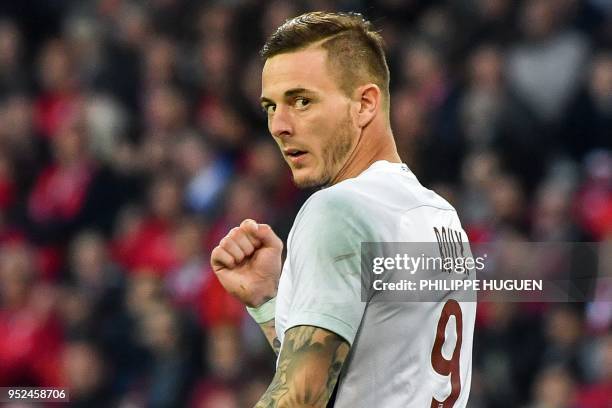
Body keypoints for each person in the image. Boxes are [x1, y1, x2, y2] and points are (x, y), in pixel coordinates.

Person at [211, 11, 476, 407]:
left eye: (301, 101)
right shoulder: (442, 217)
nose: (278, 125)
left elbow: (301, 398)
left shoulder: (339, 211)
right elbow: (350, 373)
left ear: (365, 103)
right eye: (270, 107)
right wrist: (270, 301)